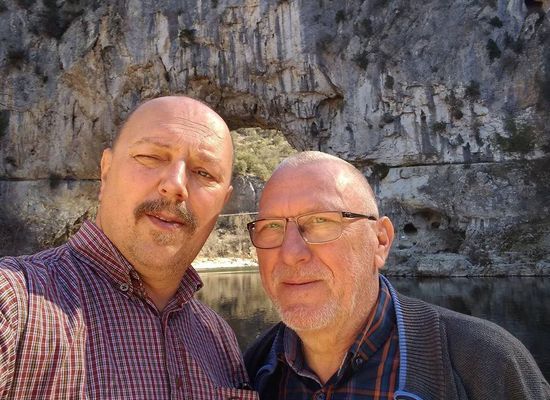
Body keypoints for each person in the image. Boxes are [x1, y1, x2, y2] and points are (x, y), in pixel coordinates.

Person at [0, 96, 258, 399]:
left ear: (222, 203)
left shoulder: (219, 339)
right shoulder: (14, 302)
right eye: (151, 156)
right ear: (106, 171)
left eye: (204, 173)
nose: (176, 185)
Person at [244, 151, 550, 400]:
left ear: (380, 241)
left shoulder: (485, 362)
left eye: (321, 221)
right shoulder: (249, 371)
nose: (290, 252)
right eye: (272, 227)